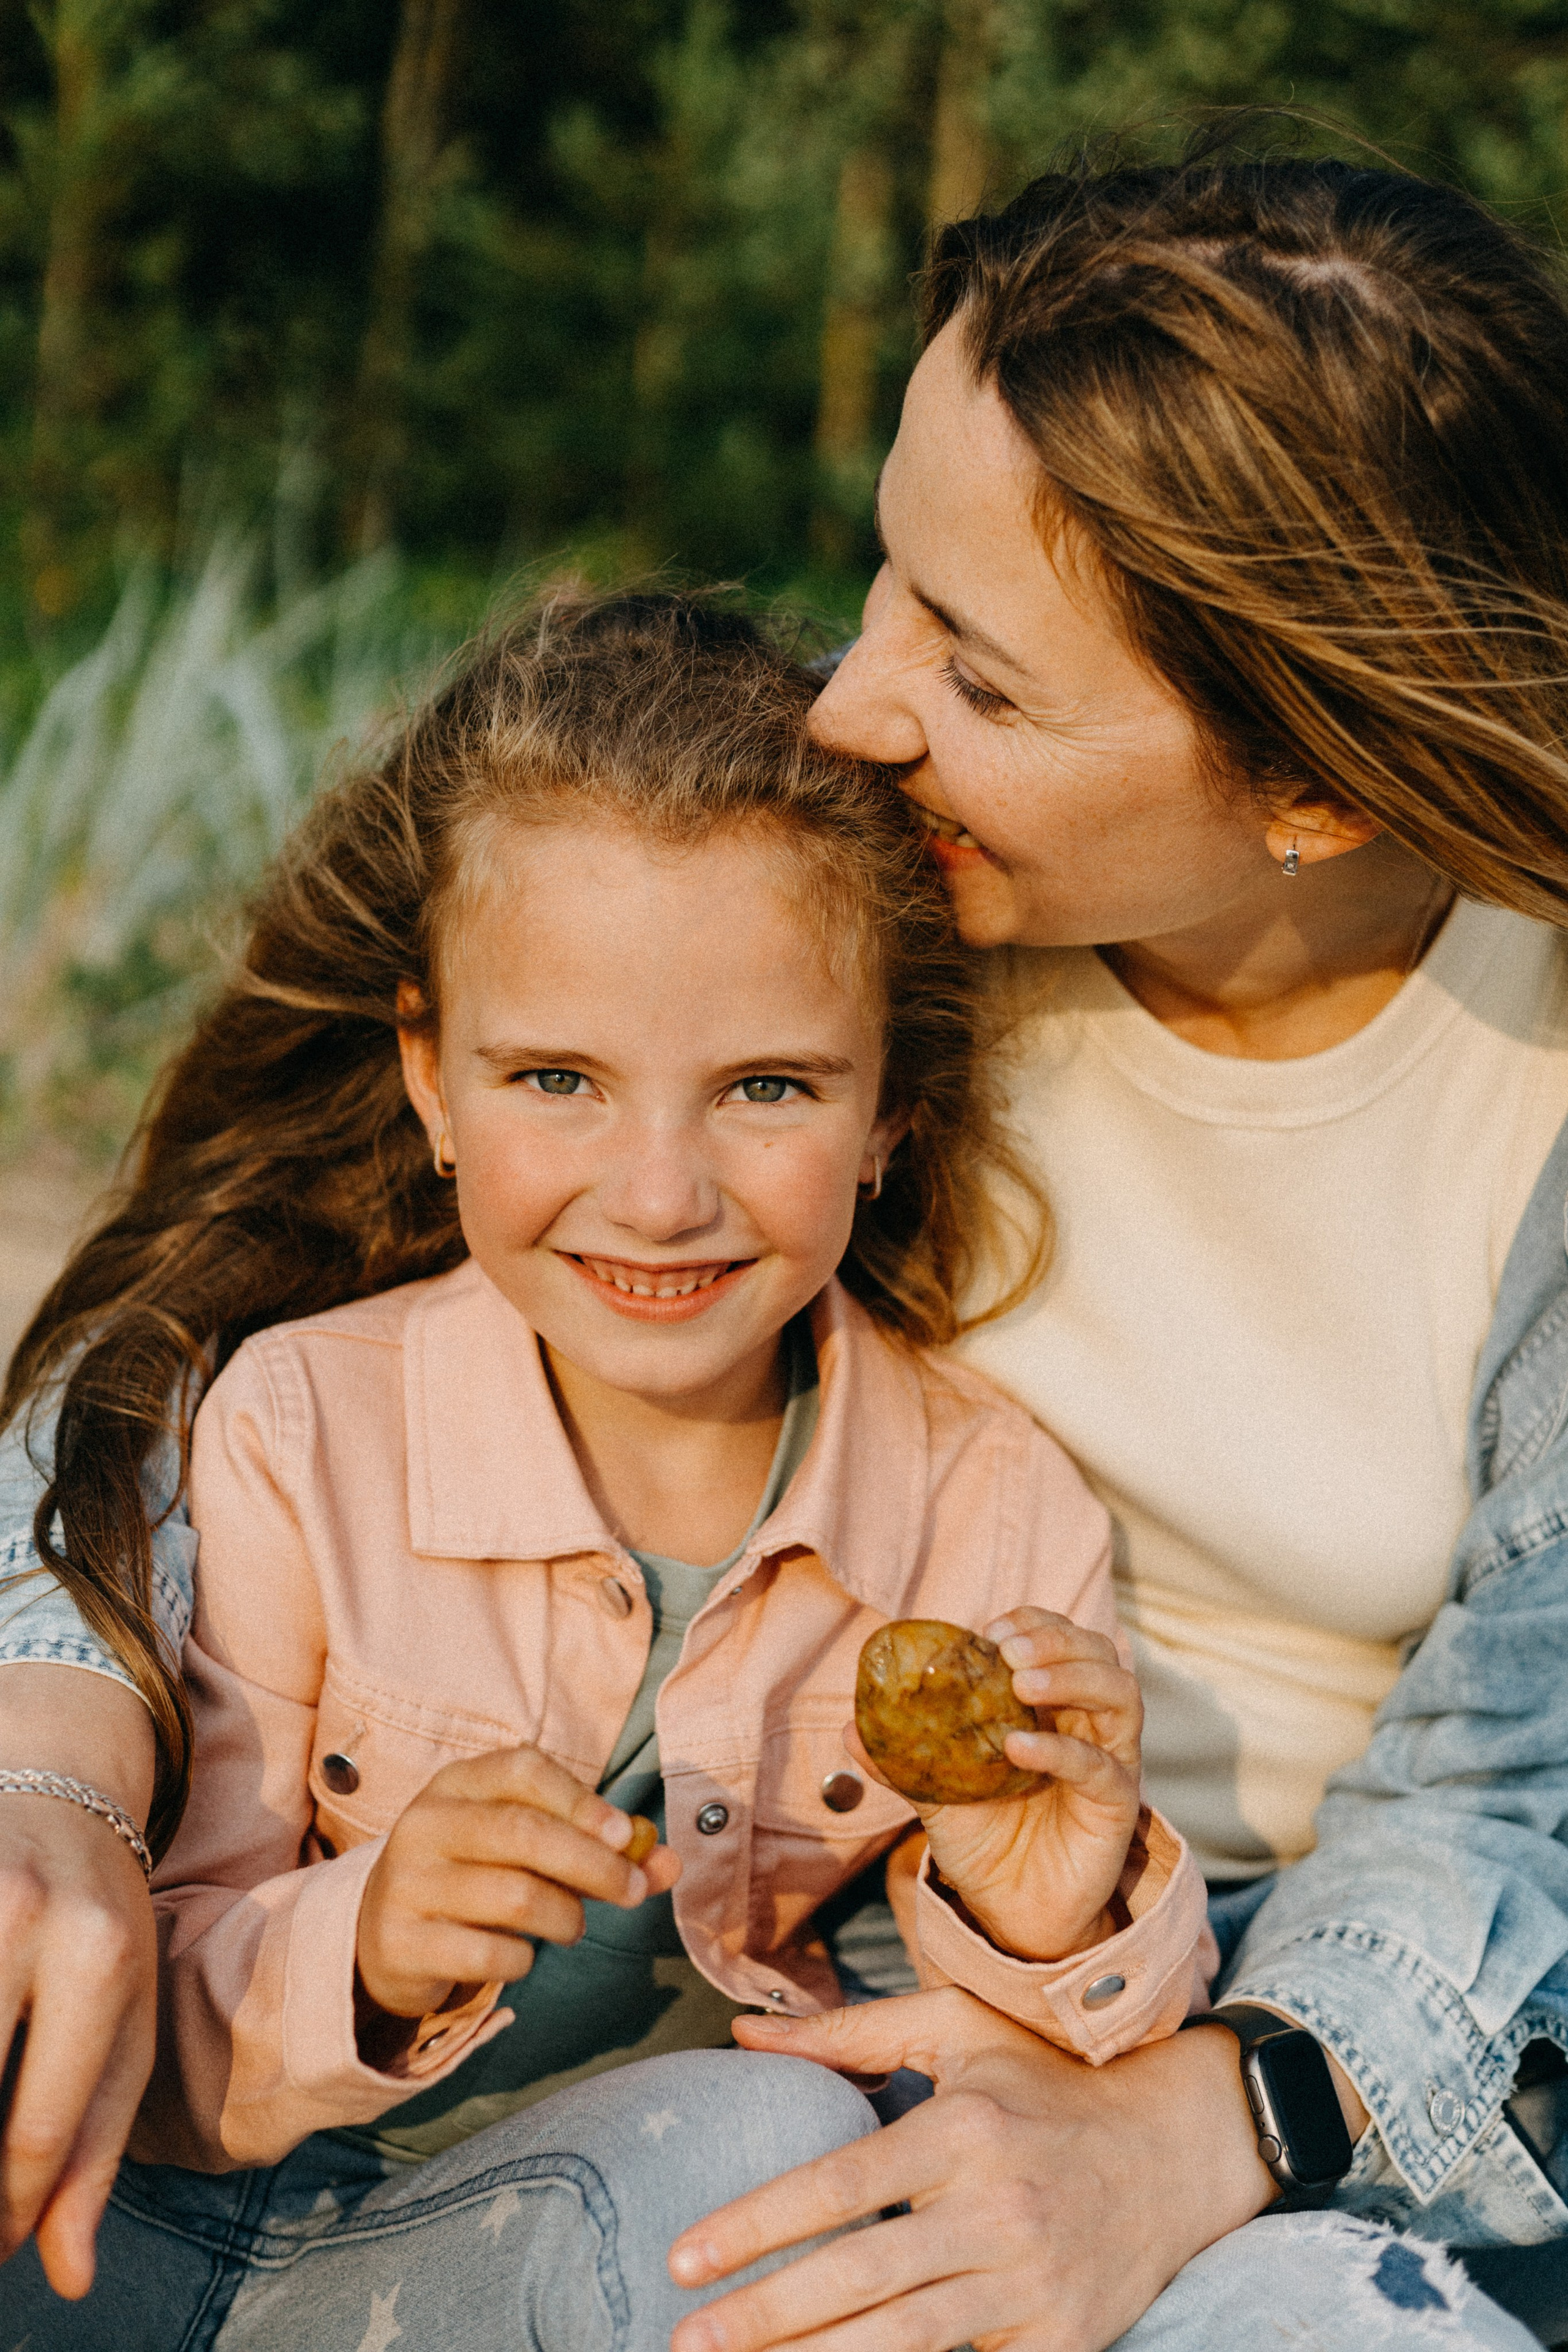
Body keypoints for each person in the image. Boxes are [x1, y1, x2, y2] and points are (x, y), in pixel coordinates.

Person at [6, 129, 1568, 2352]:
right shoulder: (814, 891)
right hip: (819, 1978)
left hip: (1333, 2004)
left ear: (1314, 782)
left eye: (982, 672)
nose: (851, 699)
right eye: (885, 574)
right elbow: (210, 1304)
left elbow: (1536, 1795)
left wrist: (1216, 2113)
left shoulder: (1529, 1099)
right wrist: (48, 1757)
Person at [0, 590, 1204, 2346]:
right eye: (556, 1076)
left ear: (891, 1117)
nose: (657, 1193)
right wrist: (370, 1939)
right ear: (427, 1077)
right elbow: (134, 2021)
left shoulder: (994, 1511)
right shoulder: (295, 1428)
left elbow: (1035, 2108)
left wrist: (1049, 1908)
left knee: (775, 2142)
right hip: (186, 2242)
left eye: (768, 1090)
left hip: (591, 2235)